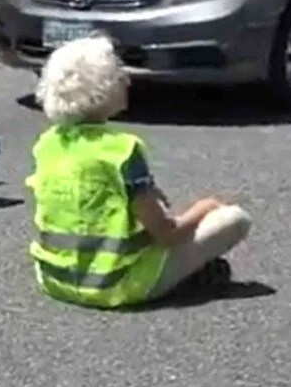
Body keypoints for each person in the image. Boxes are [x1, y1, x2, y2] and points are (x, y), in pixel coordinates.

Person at [28, 36, 252, 308]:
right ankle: (181, 278)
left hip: (55, 279)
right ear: (102, 89)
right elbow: (167, 233)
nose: (127, 81)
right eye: (119, 75)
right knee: (235, 219)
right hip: (117, 284)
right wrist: (205, 207)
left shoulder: (48, 144)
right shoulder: (122, 150)